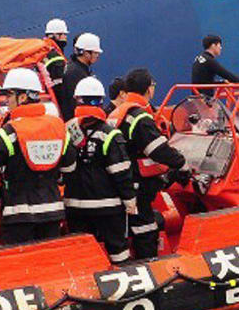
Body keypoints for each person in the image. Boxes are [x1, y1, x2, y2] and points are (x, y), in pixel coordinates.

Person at [0, 68, 74, 244]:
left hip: (18, 216)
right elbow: (69, 168)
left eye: (9, 95)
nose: (7, 100)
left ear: (22, 97)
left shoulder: (10, 132)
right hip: (52, 212)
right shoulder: (59, 127)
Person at [108, 68, 189, 259]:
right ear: (148, 89)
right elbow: (157, 149)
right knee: (145, 227)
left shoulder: (117, 113)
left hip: (121, 179)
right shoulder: (140, 117)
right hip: (136, 182)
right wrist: (182, 163)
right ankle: (150, 262)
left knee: (136, 223)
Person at [62, 76, 135, 264]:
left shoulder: (66, 131)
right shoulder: (109, 134)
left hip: (75, 208)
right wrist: (130, 201)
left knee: (82, 258)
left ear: (77, 100)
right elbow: (121, 172)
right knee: (118, 253)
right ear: (100, 102)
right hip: (108, 208)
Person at [57, 32, 102, 120]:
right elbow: (75, 104)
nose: (97, 56)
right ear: (86, 53)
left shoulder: (77, 68)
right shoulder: (75, 73)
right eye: (95, 53)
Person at [41, 18, 70, 105]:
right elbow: (60, 87)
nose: (65, 38)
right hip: (55, 103)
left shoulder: (43, 50)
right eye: (63, 34)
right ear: (54, 35)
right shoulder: (56, 57)